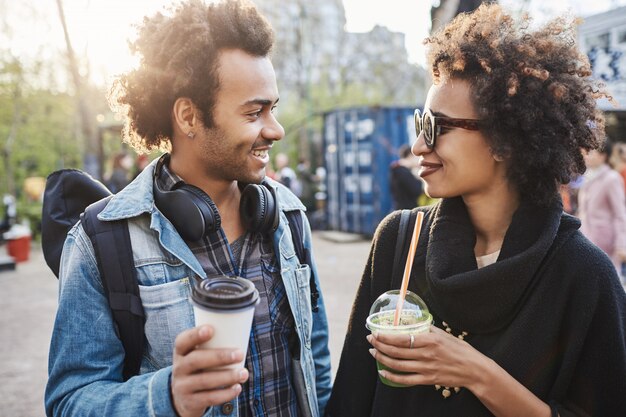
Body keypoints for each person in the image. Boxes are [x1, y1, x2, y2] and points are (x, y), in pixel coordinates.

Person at [326, 4, 626, 417]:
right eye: (420, 123)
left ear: (505, 140)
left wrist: (475, 371)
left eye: (437, 127)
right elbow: (351, 398)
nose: (418, 147)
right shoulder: (399, 239)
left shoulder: (582, 275)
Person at [45, 1, 331, 416]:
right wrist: (168, 396)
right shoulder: (99, 241)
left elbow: (314, 364)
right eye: (254, 112)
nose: (276, 129)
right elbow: (69, 402)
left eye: (274, 108)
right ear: (188, 115)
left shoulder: (287, 215)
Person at [578, 142, 626, 276]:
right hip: (586, 237)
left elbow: (620, 214)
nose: (587, 156)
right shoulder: (587, 177)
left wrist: (621, 245)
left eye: (592, 152)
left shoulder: (612, 178)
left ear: (603, 156)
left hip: (607, 242)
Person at [389, 144, 423, 209]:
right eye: (418, 157)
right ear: (410, 155)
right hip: (407, 211)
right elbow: (417, 190)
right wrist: (420, 179)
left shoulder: (398, 170)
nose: (420, 160)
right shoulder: (402, 171)